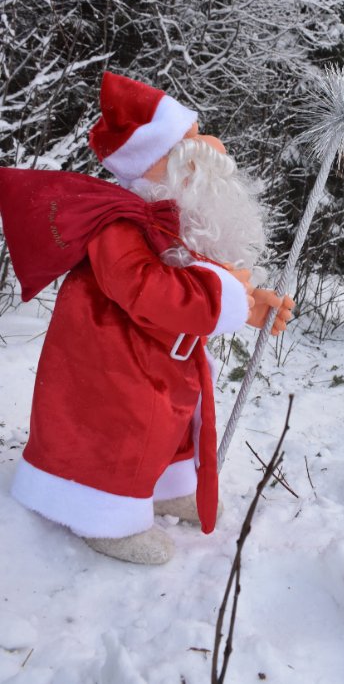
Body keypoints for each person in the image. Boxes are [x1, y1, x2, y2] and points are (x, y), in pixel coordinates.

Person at [8, 71, 294, 565]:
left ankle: (162, 485)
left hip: (159, 364)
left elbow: (194, 274)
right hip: (112, 367)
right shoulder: (119, 225)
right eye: (188, 142)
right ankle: (103, 512)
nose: (208, 146)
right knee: (121, 430)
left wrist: (251, 307)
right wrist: (229, 299)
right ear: (157, 164)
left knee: (165, 424)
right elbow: (149, 290)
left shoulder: (167, 218)